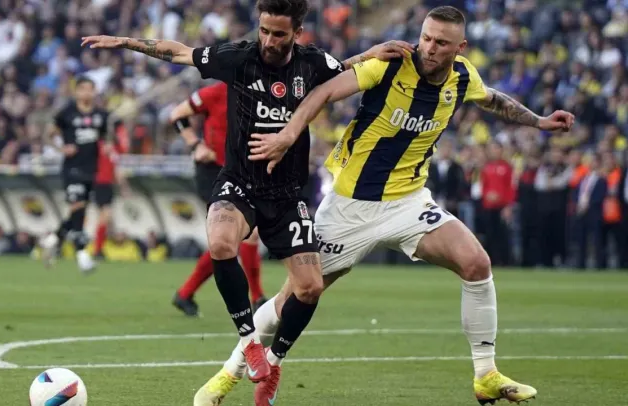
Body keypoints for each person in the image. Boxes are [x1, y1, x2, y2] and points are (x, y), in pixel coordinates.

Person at [201, 5, 575, 406]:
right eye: (426, 38)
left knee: (476, 264)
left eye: (441, 42)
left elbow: (492, 99)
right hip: (349, 207)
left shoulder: (463, 76)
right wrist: (288, 134)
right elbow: (324, 91)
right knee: (291, 298)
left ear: (460, 47)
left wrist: (539, 121)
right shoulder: (390, 64)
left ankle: (485, 374)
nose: (429, 48)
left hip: (408, 203)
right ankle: (229, 373)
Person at [81, 1, 410, 404]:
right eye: (264, 30)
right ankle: (249, 341)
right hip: (239, 183)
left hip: (287, 194)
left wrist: (370, 53)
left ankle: (275, 362)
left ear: (297, 32)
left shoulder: (310, 63)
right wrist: (125, 42)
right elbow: (180, 52)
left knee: (309, 287)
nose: (269, 41)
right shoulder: (238, 57)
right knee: (220, 242)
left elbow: (342, 68)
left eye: (279, 34)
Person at [169, 82, 267, 317]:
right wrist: (196, 145)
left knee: (229, 239)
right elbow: (177, 115)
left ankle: (185, 294)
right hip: (213, 170)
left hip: (243, 172)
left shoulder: (264, 93)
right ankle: (257, 298)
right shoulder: (216, 91)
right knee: (241, 234)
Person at [40, 77, 111, 273]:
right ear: (76, 92)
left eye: (90, 89)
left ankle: (54, 238)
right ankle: (82, 256)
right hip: (72, 168)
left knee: (79, 211)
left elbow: (105, 137)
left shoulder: (101, 115)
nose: (87, 93)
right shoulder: (67, 113)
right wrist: (61, 149)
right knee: (77, 206)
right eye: (83, 89)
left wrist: (107, 146)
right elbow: (48, 134)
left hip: (91, 168)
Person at [92, 137, 130, 258]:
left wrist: (124, 188)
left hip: (107, 186)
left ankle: (99, 248)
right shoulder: (97, 149)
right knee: (105, 217)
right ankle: (98, 249)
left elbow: (117, 171)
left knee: (105, 219)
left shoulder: (114, 153)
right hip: (100, 185)